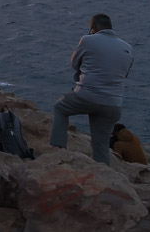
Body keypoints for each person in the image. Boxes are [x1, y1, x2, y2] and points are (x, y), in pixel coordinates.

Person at [49, 13, 133, 165]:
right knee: (100, 144)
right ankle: (103, 174)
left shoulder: (87, 40)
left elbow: (74, 64)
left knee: (60, 108)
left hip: (86, 96)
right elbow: (124, 74)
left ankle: (58, 152)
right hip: (113, 104)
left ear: (93, 28)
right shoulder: (127, 47)